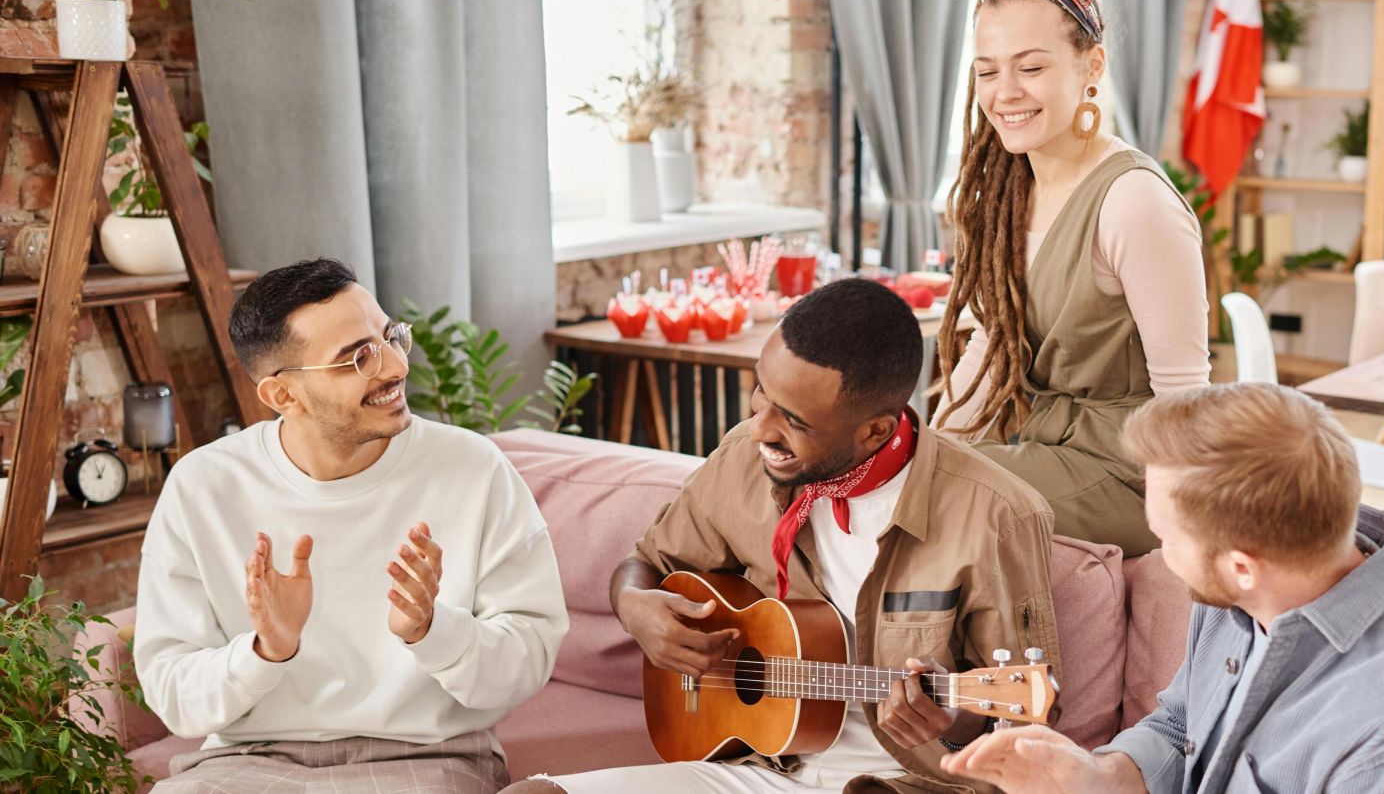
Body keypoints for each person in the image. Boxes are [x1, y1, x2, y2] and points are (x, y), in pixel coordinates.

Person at [506, 278, 1059, 794]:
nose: (762, 428)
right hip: (753, 764)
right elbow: (647, 561)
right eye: (759, 393)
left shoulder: (997, 515)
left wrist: (951, 719)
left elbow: (1026, 714)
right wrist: (634, 607)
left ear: (875, 430)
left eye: (793, 420)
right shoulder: (746, 457)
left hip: (898, 782)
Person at [940, 383, 1384, 793]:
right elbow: (1184, 724)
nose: (1161, 554)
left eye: (1166, 537)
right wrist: (1099, 778)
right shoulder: (1242, 598)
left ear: (1243, 565)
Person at [134, 259, 568, 792]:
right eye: (357, 358)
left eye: (389, 338)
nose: (393, 367)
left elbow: (530, 661)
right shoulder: (203, 485)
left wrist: (433, 631)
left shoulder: (473, 470)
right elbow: (173, 694)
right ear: (282, 396)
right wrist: (266, 651)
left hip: (429, 757)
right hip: (245, 761)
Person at [935, 0, 1209, 557]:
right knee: (886, 472)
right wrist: (933, 445)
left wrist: (1182, 526)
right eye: (986, 71)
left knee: (943, 496)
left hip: (1129, 471)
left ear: (1092, 66)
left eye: (1030, 68)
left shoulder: (1134, 203)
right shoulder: (1006, 193)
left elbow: (1186, 393)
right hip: (1041, 442)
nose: (1005, 92)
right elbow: (988, 342)